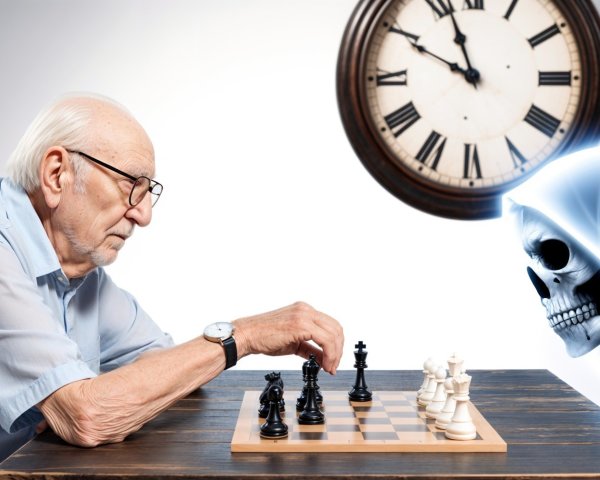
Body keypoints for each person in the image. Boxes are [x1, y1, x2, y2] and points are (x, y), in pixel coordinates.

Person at [0, 93, 344, 460]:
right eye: (131, 184)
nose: (144, 215)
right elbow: (89, 416)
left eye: (149, 192)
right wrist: (243, 336)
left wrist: (97, 396)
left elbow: (167, 367)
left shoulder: (80, 269)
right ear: (57, 175)